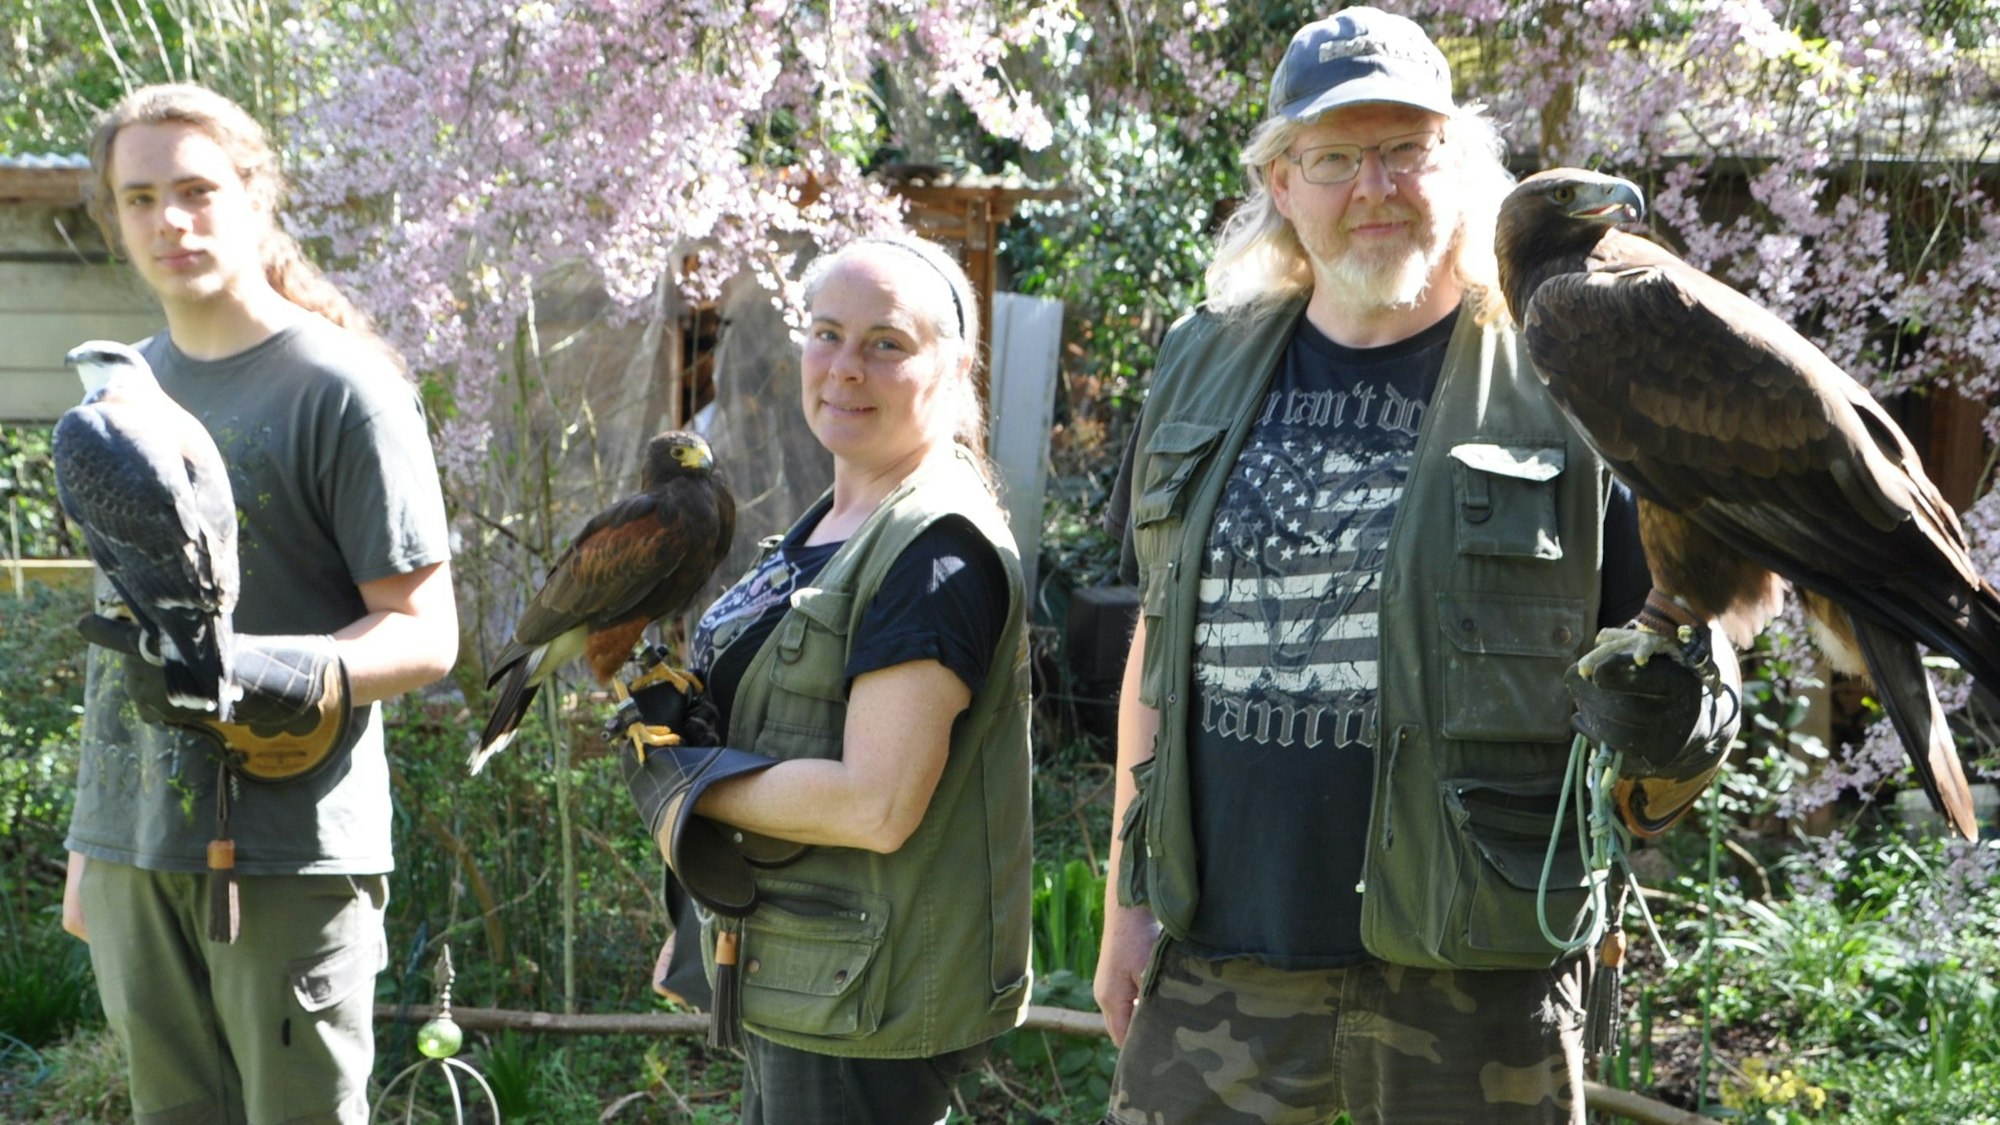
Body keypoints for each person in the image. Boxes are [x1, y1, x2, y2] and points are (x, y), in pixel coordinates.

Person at [1092, 10, 1739, 1125]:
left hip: (1476, 972)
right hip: (1223, 956)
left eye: (1405, 149)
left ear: (1462, 166)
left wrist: (1671, 731)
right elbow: (1159, 640)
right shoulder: (1199, 361)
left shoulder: (1568, 371)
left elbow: (1687, 648)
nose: (1374, 187)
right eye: (1334, 158)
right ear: (1281, 182)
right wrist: (1123, 904)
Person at [59, 83, 457, 1125]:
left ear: (255, 196)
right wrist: (92, 844)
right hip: (133, 849)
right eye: (139, 198)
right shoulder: (114, 401)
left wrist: (273, 669)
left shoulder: (342, 387)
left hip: (289, 849)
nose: (170, 220)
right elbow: (125, 629)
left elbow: (427, 633)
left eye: (196, 190)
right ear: (115, 216)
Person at [613, 233, 1032, 1125]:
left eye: (886, 343)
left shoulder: (934, 551)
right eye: (827, 334)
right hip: (802, 978)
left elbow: (875, 804)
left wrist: (687, 785)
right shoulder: (834, 524)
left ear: (954, 367)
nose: (845, 367)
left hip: (860, 1009)